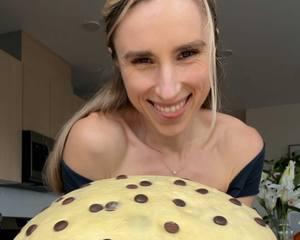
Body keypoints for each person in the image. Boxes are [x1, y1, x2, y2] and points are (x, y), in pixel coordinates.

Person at [45, 0, 265, 207]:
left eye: (187, 53)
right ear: (117, 62)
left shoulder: (242, 150)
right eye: (142, 60)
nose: (168, 92)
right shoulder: (94, 145)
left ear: (214, 45)